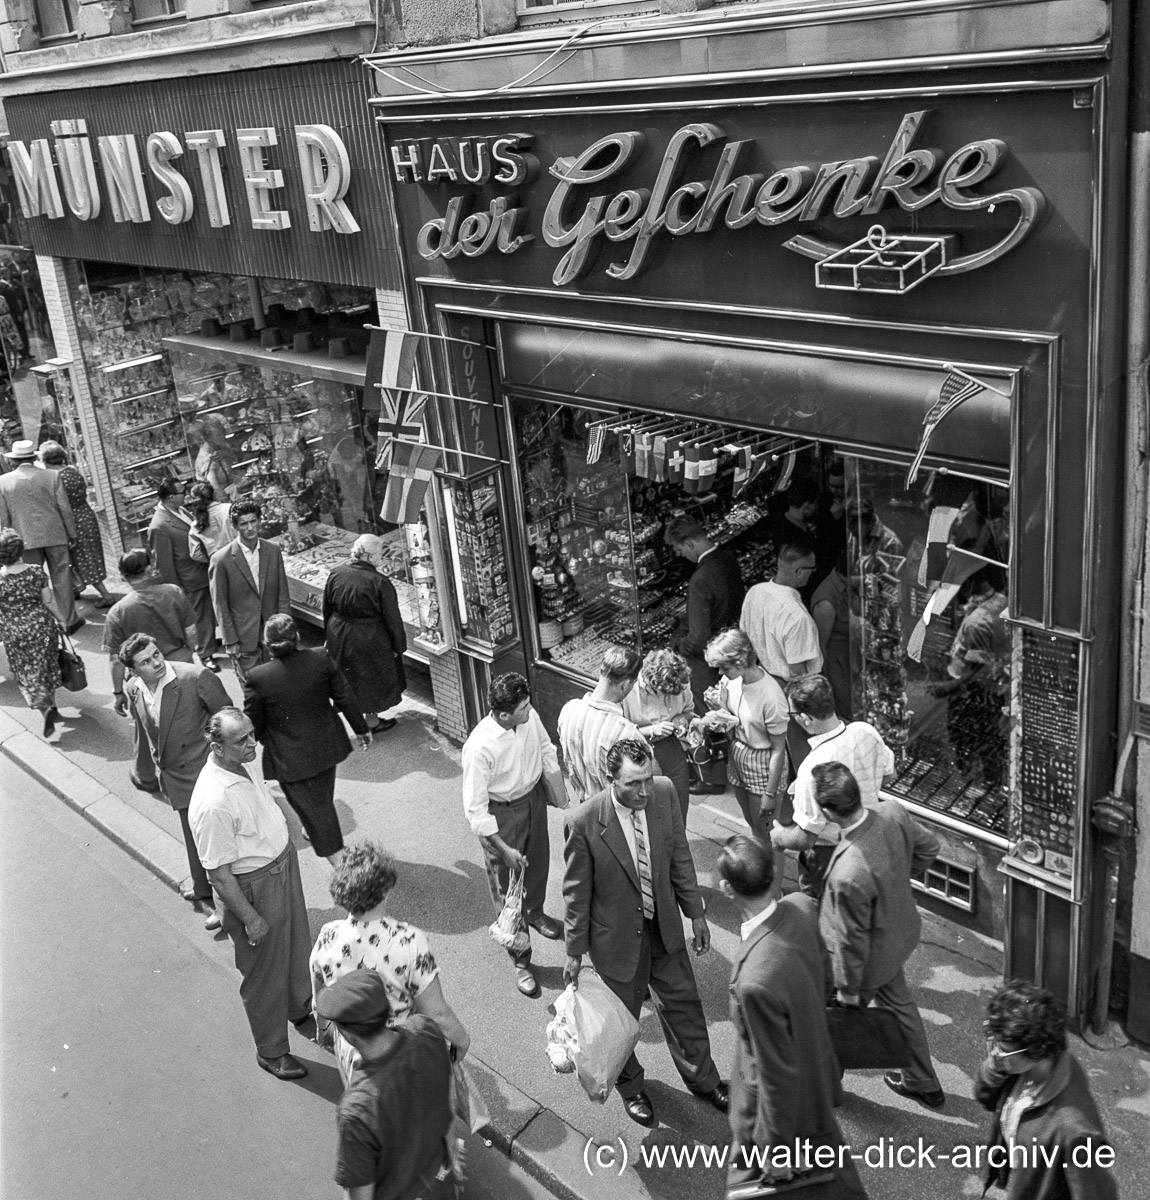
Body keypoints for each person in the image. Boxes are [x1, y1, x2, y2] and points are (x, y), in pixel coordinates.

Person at [563, 738, 728, 1128]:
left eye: (648, 780)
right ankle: (631, 1087)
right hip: (615, 939)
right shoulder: (583, 821)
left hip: (663, 925)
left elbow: (680, 855)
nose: (643, 792)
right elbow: (576, 892)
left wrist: (696, 913)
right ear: (610, 780)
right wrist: (574, 952)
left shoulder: (664, 793)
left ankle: (703, 1079)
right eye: (633, 784)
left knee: (684, 1005)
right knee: (620, 1020)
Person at [718, 835, 869, 1200]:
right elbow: (825, 978)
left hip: (774, 1114)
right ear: (772, 876)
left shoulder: (754, 980)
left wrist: (776, 1147)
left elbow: (774, 1069)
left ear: (726, 889)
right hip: (817, 1069)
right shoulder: (802, 905)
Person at [187, 707, 314, 1081]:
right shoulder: (212, 801)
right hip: (253, 885)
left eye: (252, 734)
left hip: (282, 867)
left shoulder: (244, 761)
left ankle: (298, 1006)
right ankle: (272, 1051)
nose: (252, 743)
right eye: (241, 740)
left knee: (294, 944)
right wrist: (252, 919)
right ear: (217, 746)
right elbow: (219, 875)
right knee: (263, 973)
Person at [813, 761, 945, 1109]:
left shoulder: (848, 873)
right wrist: (898, 879)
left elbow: (849, 943)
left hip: (865, 960)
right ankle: (922, 1081)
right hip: (897, 938)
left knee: (829, 1022)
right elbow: (930, 847)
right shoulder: (893, 812)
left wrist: (847, 991)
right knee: (900, 1007)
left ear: (828, 811)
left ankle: (825, 1089)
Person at [311, 842, 470, 1083]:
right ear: (385, 891)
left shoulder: (328, 935)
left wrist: (324, 1029)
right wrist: (462, 1040)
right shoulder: (408, 942)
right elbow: (437, 1013)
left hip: (353, 1046)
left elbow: (319, 996)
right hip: (400, 1048)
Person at [461, 672, 568, 998]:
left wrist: (554, 785)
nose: (530, 710)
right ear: (502, 714)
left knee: (537, 867)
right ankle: (521, 958)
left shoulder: (528, 717)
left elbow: (547, 747)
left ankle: (535, 912)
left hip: (532, 801)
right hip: (501, 816)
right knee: (509, 892)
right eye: (523, 707)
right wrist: (503, 848)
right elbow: (476, 811)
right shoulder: (479, 747)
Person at [118, 633, 230, 929]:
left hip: (206, 773)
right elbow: (144, 733)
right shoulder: (134, 689)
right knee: (192, 839)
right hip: (174, 776)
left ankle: (225, 906)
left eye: (156, 654)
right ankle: (203, 890)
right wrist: (145, 771)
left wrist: (220, 761)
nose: (156, 662)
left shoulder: (195, 678)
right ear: (133, 669)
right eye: (145, 661)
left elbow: (228, 718)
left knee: (216, 845)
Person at [244, 614, 371, 865]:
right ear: (297, 637)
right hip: (326, 748)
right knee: (321, 803)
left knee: (316, 814)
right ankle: (316, 833)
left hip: (288, 759)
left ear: (268, 646)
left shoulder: (257, 677)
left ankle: (345, 871)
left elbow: (253, 722)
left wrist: (253, 743)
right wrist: (361, 729)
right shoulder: (320, 658)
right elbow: (344, 696)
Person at [316, 970, 456, 1200]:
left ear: (349, 1035)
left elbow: (360, 1196)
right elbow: (447, 1097)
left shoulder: (358, 1110)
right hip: (439, 1185)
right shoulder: (426, 1029)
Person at [975, 981, 1118, 1200]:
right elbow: (984, 1096)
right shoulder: (1018, 1068)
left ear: (1036, 1050)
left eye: (1003, 1050)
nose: (993, 1052)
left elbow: (1098, 1193)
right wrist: (996, 1067)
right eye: (993, 1041)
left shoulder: (1074, 1130)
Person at [772, 674, 895, 899]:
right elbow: (888, 775)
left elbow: (805, 838)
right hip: (869, 837)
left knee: (823, 914)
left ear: (806, 719)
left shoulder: (812, 768)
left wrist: (779, 836)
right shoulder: (866, 731)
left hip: (827, 855)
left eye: (792, 715)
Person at [105, 547, 206, 790]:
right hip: (179, 665)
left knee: (146, 730)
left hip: (143, 678)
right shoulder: (172, 592)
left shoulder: (118, 612)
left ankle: (146, 777)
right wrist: (189, 654)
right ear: (149, 569)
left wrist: (119, 692)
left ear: (124, 576)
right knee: (195, 722)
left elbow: (116, 660)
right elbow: (192, 633)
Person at [741, 540, 823, 768]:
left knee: (776, 751)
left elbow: (744, 638)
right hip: (791, 692)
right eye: (811, 569)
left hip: (761, 682)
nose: (813, 574)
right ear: (799, 571)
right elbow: (799, 675)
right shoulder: (796, 617)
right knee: (805, 757)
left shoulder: (755, 593)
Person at [702, 629, 788, 842]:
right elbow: (732, 728)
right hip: (738, 755)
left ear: (740, 661)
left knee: (766, 835)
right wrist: (719, 707)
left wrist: (770, 795)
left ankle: (769, 874)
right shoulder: (733, 682)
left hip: (763, 762)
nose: (720, 672)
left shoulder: (771, 697)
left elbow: (779, 749)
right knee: (754, 827)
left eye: (724, 666)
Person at [933, 568, 1010, 790]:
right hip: (995, 689)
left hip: (970, 694)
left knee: (965, 739)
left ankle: (970, 782)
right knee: (991, 741)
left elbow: (976, 670)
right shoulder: (1002, 601)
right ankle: (991, 783)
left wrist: (947, 687)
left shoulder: (977, 622)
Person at [323, 534, 407, 733]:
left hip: (339, 632)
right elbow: (393, 618)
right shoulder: (379, 581)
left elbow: (327, 607)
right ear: (369, 556)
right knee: (371, 679)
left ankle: (355, 718)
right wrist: (398, 646)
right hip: (370, 637)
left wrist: (329, 635)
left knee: (348, 677)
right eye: (379, 553)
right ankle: (372, 721)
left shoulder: (337, 573)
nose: (381, 557)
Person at [664, 515, 745, 713]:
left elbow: (698, 637)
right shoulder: (728, 559)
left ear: (690, 543)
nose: (682, 555)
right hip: (732, 644)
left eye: (681, 550)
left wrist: (677, 646)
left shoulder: (700, 579)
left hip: (705, 661)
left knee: (709, 713)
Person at [0, 438, 79, 632]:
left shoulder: (3, 482)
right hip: (55, 534)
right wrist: (72, 533)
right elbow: (65, 508)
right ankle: (69, 620)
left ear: (14, 460)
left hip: (24, 539)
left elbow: (3, 516)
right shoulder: (52, 476)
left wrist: (8, 541)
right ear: (34, 456)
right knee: (61, 576)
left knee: (33, 580)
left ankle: (45, 621)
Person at [208, 498, 291, 684]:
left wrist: (287, 629)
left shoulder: (273, 550)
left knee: (280, 683)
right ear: (235, 527)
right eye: (244, 524)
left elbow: (283, 594)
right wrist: (230, 641)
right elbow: (220, 604)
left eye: (253, 521)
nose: (250, 528)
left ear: (260, 521)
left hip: (274, 634)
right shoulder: (221, 560)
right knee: (253, 688)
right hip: (244, 638)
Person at [558, 646, 646, 804]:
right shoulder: (627, 733)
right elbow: (651, 780)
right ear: (625, 685)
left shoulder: (568, 710)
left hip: (585, 807)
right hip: (617, 813)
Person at [0, 526, 65, 739]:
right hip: (43, 631)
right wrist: (62, 619)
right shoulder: (36, 571)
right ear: (21, 550)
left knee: (25, 669)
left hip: (15, 635)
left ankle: (42, 705)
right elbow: (48, 600)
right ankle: (52, 703)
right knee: (47, 660)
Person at [148, 477, 215, 665]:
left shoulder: (181, 510)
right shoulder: (159, 526)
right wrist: (176, 590)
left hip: (199, 571)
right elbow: (164, 564)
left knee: (207, 613)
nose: (186, 495)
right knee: (199, 616)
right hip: (189, 579)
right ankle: (205, 653)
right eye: (182, 493)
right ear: (170, 497)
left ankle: (208, 643)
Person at [37, 441, 113, 608]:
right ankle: (77, 588)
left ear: (45, 459)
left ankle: (106, 595)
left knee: (83, 558)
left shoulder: (53, 478)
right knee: (89, 554)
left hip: (71, 520)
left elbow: (58, 504)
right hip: (86, 514)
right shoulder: (72, 471)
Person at [622, 648, 694, 820]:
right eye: (665, 693)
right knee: (651, 812)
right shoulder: (627, 690)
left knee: (678, 806)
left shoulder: (680, 681)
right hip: (639, 754)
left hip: (672, 750)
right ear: (652, 682)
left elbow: (689, 711)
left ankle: (678, 844)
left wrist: (680, 720)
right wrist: (651, 730)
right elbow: (618, 732)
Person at [810, 550, 855, 721]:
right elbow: (820, 647)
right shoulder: (826, 602)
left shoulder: (848, 587)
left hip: (851, 659)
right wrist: (826, 684)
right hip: (837, 667)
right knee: (848, 709)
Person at [186, 480, 234, 566]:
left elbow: (196, 554)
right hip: (241, 557)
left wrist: (213, 558)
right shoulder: (230, 509)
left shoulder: (195, 525)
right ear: (214, 494)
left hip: (220, 566)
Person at [193, 414, 237, 501]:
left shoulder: (221, 446)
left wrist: (225, 453)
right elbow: (214, 486)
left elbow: (235, 457)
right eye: (218, 435)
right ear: (209, 438)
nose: (223, 437)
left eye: (222, 433)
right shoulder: (206, 458)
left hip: (230, 492)